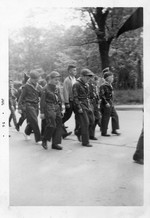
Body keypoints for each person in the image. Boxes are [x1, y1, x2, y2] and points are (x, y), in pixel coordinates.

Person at [18, 70, 42, 144]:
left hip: (36, 105)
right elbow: (21, 98)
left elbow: (42, 94)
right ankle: (38, 139)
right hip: (29, 105)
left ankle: (26, 132)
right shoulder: (26, 86)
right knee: (35, 121)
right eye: (35, 79)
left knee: (32, 121)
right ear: (31, 78)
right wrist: (19, 107)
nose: (36, 81)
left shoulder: (38, 86)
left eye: (37, 79)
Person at [40, 71, 63, 150]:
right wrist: (42, 112)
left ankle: (55, 143)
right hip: (49, 107)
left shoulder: (57, 88)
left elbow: (59, 99)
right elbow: (42, 101)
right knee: (51, 125)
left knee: (59, 125)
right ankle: (44, 139)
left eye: (58, 80)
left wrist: (61, 109)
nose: (57, 81)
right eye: (56, 80)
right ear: (50, 79)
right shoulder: (45, 88)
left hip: (56, 107)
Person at [72, 68, 95, 147]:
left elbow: (88, 96)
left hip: (87, 104)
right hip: (81, 104)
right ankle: (85, 142)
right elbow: (75, 97)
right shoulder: (76, 84)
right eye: (87, 77)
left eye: (89, 77)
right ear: (82, 76)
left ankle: (78, 132)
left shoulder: (86, 84)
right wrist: (79, 107)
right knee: (85, 123)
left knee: (92, 120)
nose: (88, 79)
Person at [99, 67, 120, 136]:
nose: (113, 78)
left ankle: (114, 129)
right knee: (105, 117)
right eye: (111, 77)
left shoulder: (110, 85)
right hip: (106, 103)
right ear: (107, 78)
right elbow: (101, 95)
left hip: (110, 102)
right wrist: (106, 103)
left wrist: (111, 102)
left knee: (115, 116)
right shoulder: (103, 85)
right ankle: (103, 132)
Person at [62, 64, 79, 137]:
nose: (75, 71)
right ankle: (59, 124)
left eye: (76, 70)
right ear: (69, 71)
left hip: (76, 100)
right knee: (67, 115)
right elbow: (65, 91)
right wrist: (66, 102)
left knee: (78, 115)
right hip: (70, 100)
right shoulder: (67, 80)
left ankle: (77, 130)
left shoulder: (76, 79)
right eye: (74, 70)